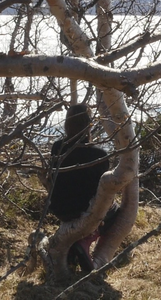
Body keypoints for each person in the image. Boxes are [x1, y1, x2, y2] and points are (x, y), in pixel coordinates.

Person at [49, 103, 119, 271]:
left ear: (67, 124)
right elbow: (99, 191)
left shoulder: (57, 147)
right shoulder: (100, 155)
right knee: (115, 210)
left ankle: (73, 252)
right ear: (89, 125)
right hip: (82, 210)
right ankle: (87, 240)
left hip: (60, 209)